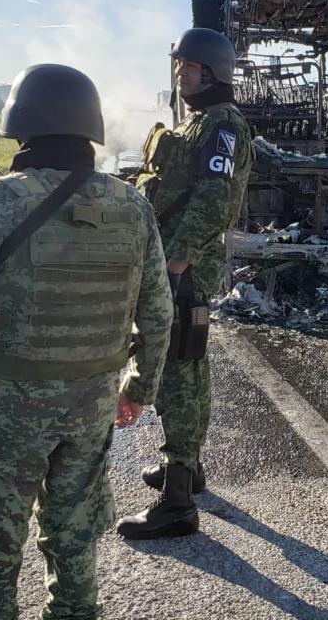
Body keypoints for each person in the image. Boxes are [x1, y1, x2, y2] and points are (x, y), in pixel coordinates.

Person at [0, 63, 173, 620]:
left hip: (6, 416)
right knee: (76, 542)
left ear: (21, 125)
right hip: (92, 408)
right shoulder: (134, 208)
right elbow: (157, 314)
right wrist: (137, 389)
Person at [116, 27, 252, 539]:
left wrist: (175, 263)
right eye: (179, 66)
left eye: (189, 67)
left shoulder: (221, 128)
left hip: (184, 271)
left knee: (179, 374)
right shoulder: (198, 123)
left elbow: (215, 203)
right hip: (175, 265)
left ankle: (177, 505)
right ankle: (187, 471)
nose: (181, 74)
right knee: (183, 366)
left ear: (212, 73)